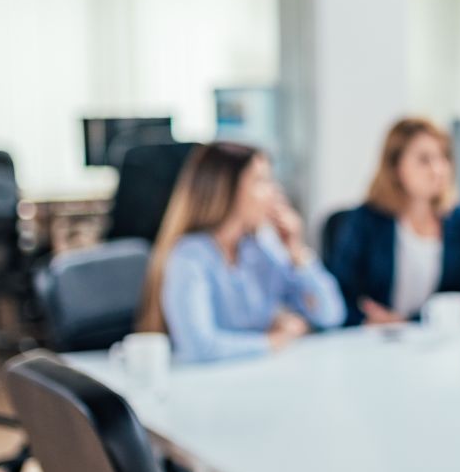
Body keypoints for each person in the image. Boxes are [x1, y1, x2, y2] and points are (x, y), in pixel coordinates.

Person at [139, 141, 343, 363]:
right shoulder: (190, 256)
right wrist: (273, 340)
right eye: (261, 181)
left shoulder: (261, 248)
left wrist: (296, 250)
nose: (274, 193)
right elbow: (198, 347)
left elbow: (330, 314)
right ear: (227, 189)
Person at [327, 117, 460, 325]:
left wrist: (405, 322)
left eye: (443, 157)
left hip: (436, 341)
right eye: (424, 160)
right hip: (372, 340)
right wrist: (366, 321)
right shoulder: (365, 221)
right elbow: (336, 297)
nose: (438, 170)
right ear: (395, 167)